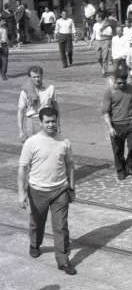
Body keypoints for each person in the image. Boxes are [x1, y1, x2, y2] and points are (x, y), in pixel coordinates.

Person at [17, 106, 76, 274]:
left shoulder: (64, 141)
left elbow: (70, 165)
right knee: (37, 223)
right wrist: (21, 193)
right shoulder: (31, 142)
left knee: (61, 226)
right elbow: (22, 168)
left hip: (60, 190)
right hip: (37, 191)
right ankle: (34, 244)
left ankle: (63, 260)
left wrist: (72, 187)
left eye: (53, 121)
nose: (51, 124)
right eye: (47, 122)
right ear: (41, 122)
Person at [102, 71, 132, 180]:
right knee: (118, 151)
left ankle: (129, 164)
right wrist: (110, 128)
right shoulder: (109, 92)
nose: (121, 85)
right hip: (117, 125)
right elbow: (105, 112)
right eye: (119, 83)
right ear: (114, 81)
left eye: (124, 83)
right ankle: (120, 169)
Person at [18, 66, 58, 142]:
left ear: (42, 76)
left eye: (39, 76)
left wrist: (58, 125)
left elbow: (56, 107)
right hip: (32, 121)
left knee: (49, 145)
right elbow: (20, 111)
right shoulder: (25, 92)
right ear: (30, 78)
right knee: (33, 145)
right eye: (34, 77)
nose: (37, 79)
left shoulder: (50, 88)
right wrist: (21, 130)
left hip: (48, 121)